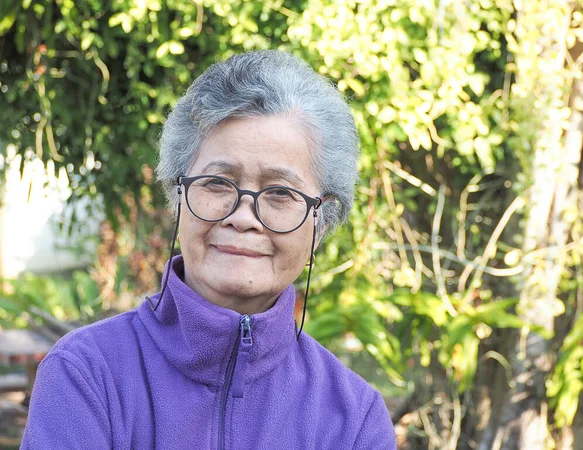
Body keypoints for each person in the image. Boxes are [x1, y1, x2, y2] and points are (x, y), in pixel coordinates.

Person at [21, 50, 396, 449]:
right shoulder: (87, 375)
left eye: (281, 192)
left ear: (320, 222)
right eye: (218, 183)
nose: (243, 217)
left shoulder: (354, 417)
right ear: (177, 196)